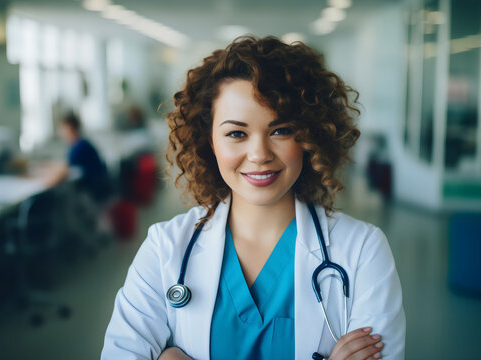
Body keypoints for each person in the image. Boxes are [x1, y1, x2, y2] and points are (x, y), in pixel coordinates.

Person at [101, 36, 405, 360]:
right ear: (210, 142)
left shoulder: (362, 251)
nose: (259, 154)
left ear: (308, 137)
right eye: (236, 133)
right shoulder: (165, 249)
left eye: (280, 130)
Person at [56, 112, 111, 204]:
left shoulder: (79, 146)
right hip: (99, 187)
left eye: (62, 129)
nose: (60, 133)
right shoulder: (82, 143)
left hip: (95, 191)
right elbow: (65, 164)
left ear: (69, 128)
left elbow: (61, 173)